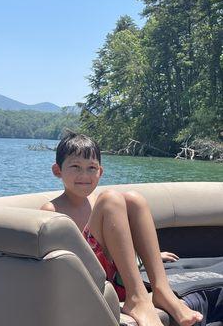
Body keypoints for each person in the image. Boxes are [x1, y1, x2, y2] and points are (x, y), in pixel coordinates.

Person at [41, 132, 203, 326]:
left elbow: (115, 245)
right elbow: (57, 264)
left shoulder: (97, 205)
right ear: (57, 170)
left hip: (116, 279)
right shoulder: (52, 209)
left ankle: (162, 291)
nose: (84, 175)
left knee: (134, 199)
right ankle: (137, 299)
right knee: (111, 198)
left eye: (91, 168)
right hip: (88, 284)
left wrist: (150, 256)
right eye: (75, 166)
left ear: (100, 172)